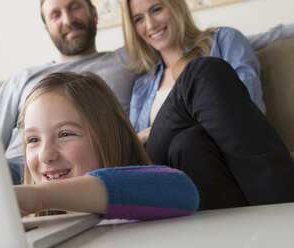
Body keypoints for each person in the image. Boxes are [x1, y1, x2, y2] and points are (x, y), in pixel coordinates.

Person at [121, 0, 294, 210]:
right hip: (161, 165)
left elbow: (248, 109)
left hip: (208, 158)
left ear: (176, 6)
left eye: (156, 10)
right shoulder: (142, 84)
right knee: (200, 73)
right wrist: (145, 135)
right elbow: (135, 148)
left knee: (188, 142)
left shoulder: (223, 40)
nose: (150, 24)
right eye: (138, 19)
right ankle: (284, 205)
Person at [14, 71, 199, 220]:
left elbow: (183, 190)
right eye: (33, 140)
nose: (45, 155)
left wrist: (40, 196)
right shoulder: (34, 224)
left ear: (108, 137)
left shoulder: (142, 198)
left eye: (65, 134)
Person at [0, 0, 137, 184]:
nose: (68, 20)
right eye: (55, 15)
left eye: (74, 7)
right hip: (16, 167)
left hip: (80, 165)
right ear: (47, 29)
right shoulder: (23, 78)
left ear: (94, 13)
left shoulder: (128, 59)